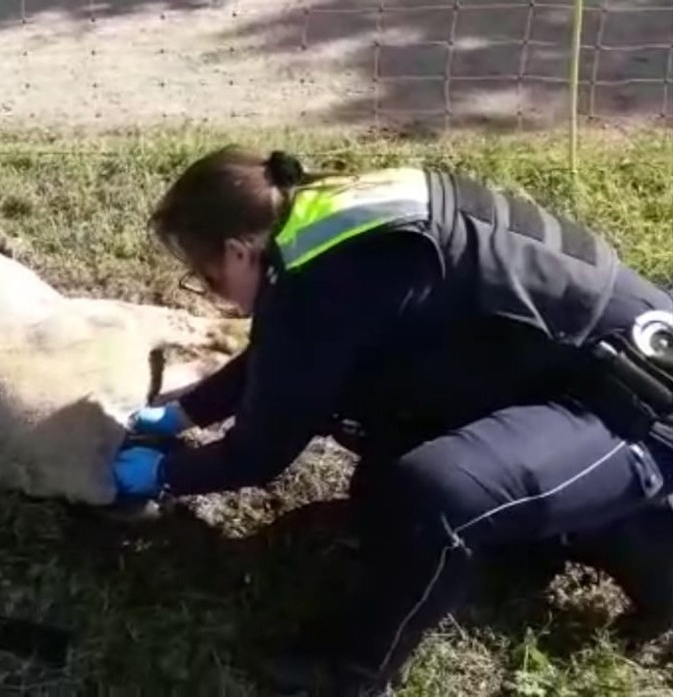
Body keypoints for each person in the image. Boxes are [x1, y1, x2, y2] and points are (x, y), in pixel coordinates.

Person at [112, 146, 673, 695]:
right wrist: (187, 411)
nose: (216, 296)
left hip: (639, 409)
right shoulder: (322, 221)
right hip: (577, 370)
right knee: (381, 484)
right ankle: (535, 537)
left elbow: (260, 452)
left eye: (206, 279)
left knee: (434, 494)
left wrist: (165, 474)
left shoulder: (325, 282)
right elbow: (290, 357)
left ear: (237, 251)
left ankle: (351, 670)